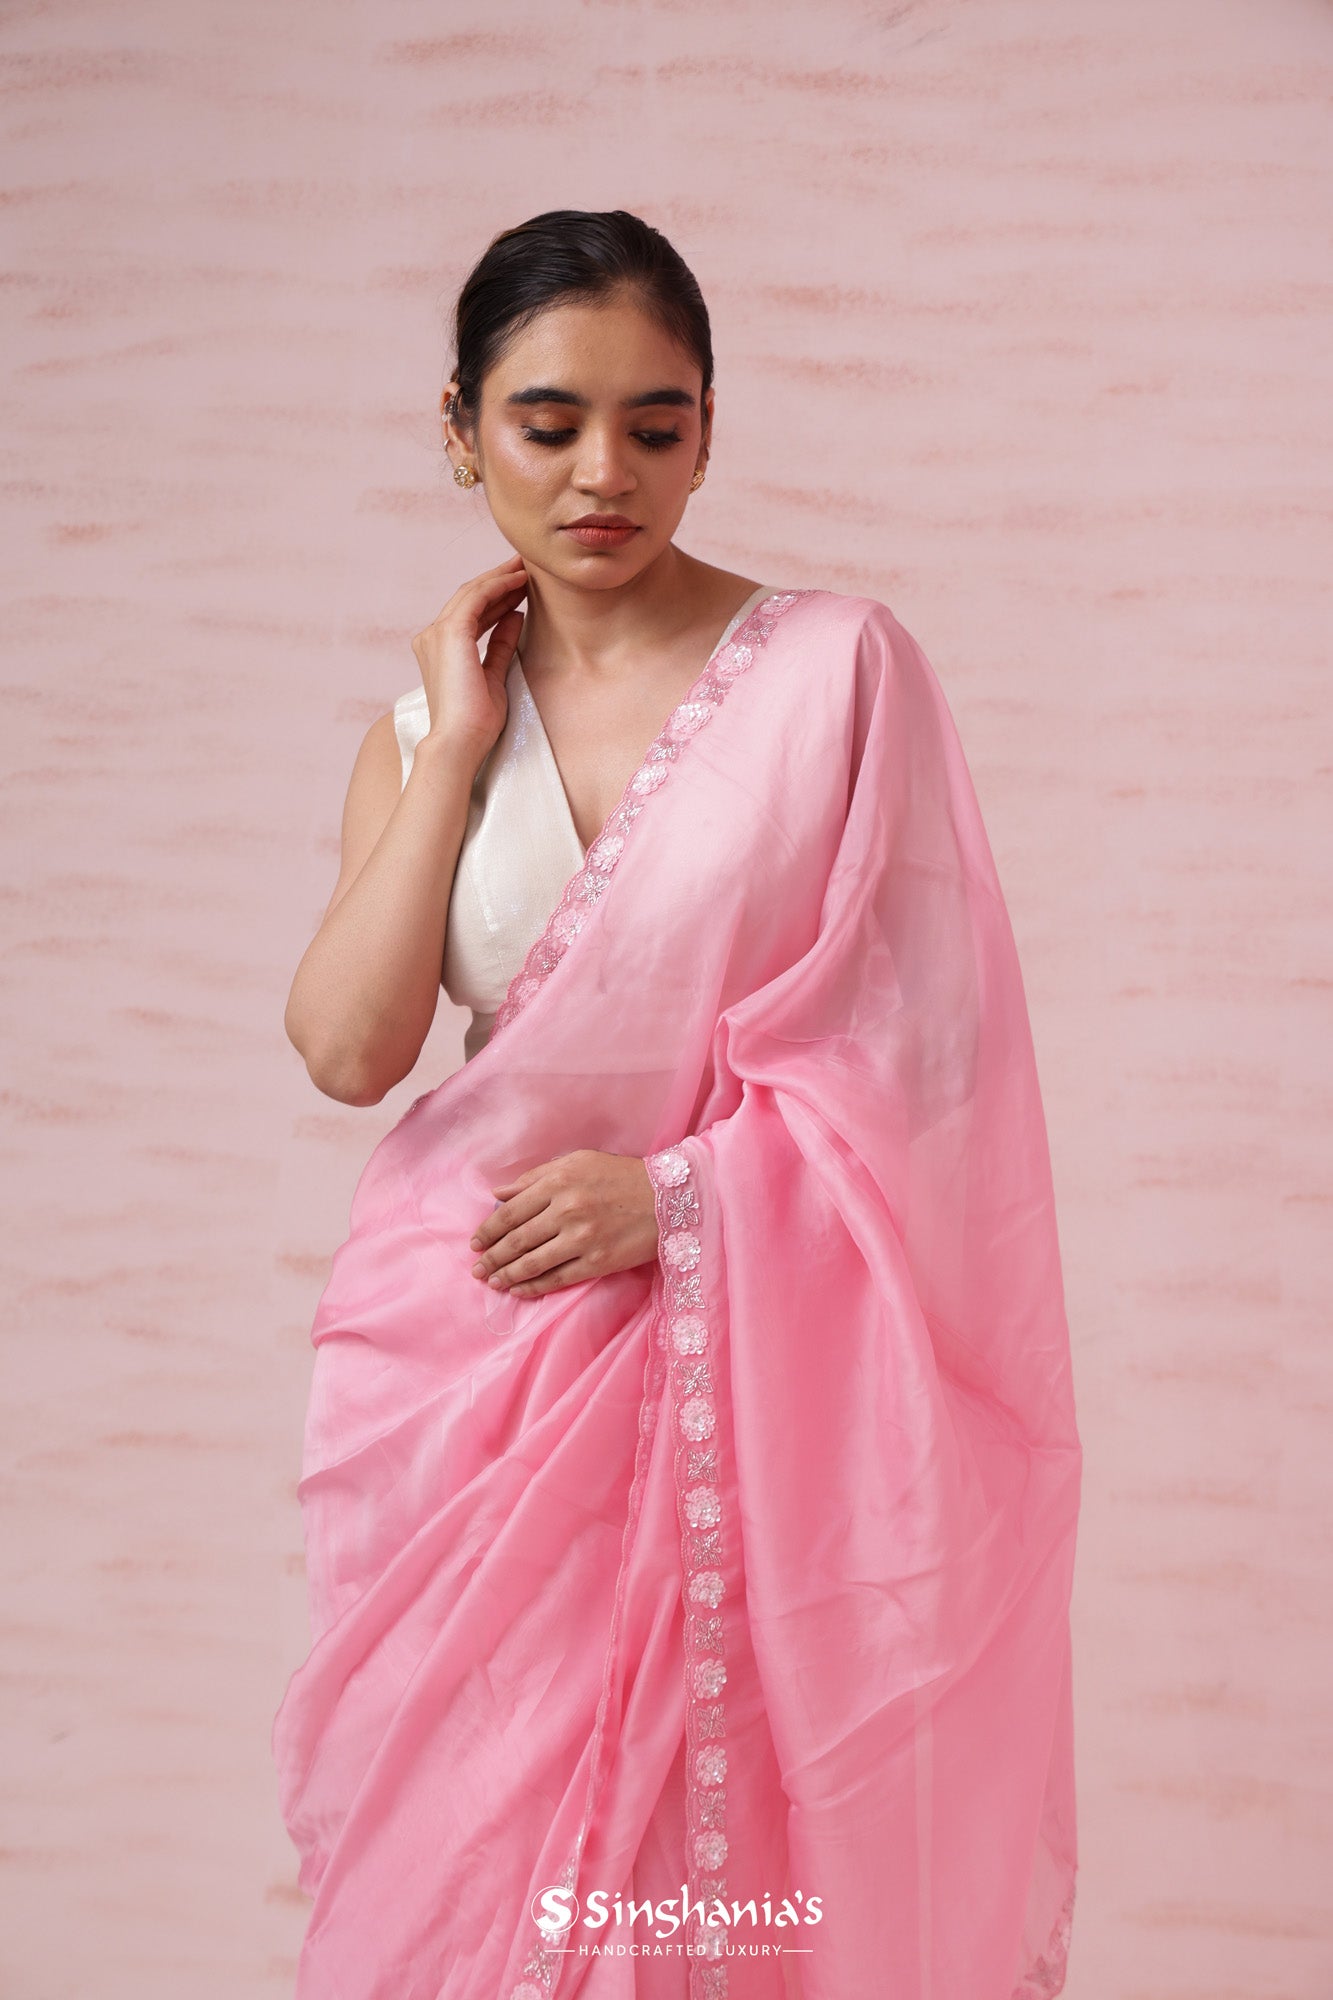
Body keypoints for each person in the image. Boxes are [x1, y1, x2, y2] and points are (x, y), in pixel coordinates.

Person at [270, 209, 1083, 2000]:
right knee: (480, 1876)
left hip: (751, 1361)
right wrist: (453, 741)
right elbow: (348, 1050)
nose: (603, 473)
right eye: (546, 422)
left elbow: (932, 1057)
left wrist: (686, 1197)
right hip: (467, 1372)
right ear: (460, 429)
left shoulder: (835, 674)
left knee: (723, 1877)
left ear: (708, 433)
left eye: (656, 424)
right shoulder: (418, 739)